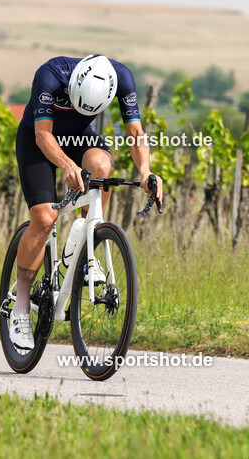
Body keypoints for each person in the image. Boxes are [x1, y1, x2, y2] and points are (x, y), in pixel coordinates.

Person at [9, 54, 163, 350]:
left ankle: (86, 241)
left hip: (79, 136)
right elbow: (43, 135)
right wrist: (67, 165)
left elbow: (134, 132)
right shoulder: (50, 74)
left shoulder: (121, 77)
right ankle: (21, 307)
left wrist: (145, 171)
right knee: (44, 219)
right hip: (38, 139)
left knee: (102, 170)